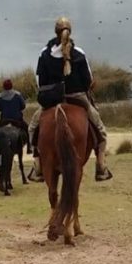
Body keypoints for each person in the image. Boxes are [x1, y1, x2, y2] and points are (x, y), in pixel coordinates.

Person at [26, 16, 112, 182]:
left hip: (51, 100)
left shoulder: (44, 54)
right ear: (69, 32)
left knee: (32, 128)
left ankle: (37, 167)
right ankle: (101, 167)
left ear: (55, 32)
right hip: (77, 98)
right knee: (101, 130)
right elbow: (88, 81)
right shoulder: (79, 53)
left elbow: (40, 82)